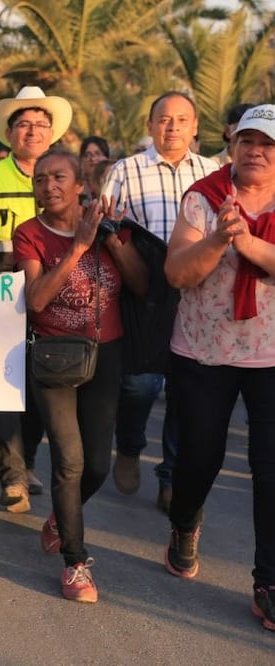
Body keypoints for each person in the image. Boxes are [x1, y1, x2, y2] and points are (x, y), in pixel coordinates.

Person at [161, 104, 275, 632]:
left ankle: (268, 582)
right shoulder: (203, 199)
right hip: (205, 351)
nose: (257, 151)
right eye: (249, 140)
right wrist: (217, 238)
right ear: (232, 145)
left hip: (270, 356)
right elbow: (177, 273)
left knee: (271, 468)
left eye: (268, 144)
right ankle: (185, 523)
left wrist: (248, 241)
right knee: (200, 459)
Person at [15, 148, 147, 603]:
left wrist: (110, 242)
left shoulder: (109, 224)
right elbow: (36, 300)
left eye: (58, 178)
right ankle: (75, 562)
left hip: (106, 355)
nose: (48, 186)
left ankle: (58, 519)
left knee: (96, 466)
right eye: (40, 179)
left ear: (79, 186)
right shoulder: (29, 234)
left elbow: (141, 283)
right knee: (68, 462)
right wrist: (77, 249)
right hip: (54, 356)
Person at [101, 92, 219, 511]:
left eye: (181, 120)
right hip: (144, 289)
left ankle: (170, 474)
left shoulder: (214, 172)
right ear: (150, 125)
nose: (172, 128)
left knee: (186, 387)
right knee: (142, 382)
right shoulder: (126, 170)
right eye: (164, 120)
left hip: (200, 289)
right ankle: (130, 444)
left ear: (195, 126)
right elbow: (108, 225)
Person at [0, 85, 72, 512]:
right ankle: (12, 477)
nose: (32, 131)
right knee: (2, 386)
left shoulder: (62, 179)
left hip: (52, 298)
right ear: (9, 133)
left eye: (40, 125)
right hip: (0, 298)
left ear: (52, 134)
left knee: (43, 385)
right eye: (23, 124)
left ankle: (26, 461)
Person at [78, 137, 110, 201]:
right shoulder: (77, 188)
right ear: (81, 159)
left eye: (98, 154)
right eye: (87, 155)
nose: (93, 159)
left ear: (107, 158)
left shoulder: (116, 184)